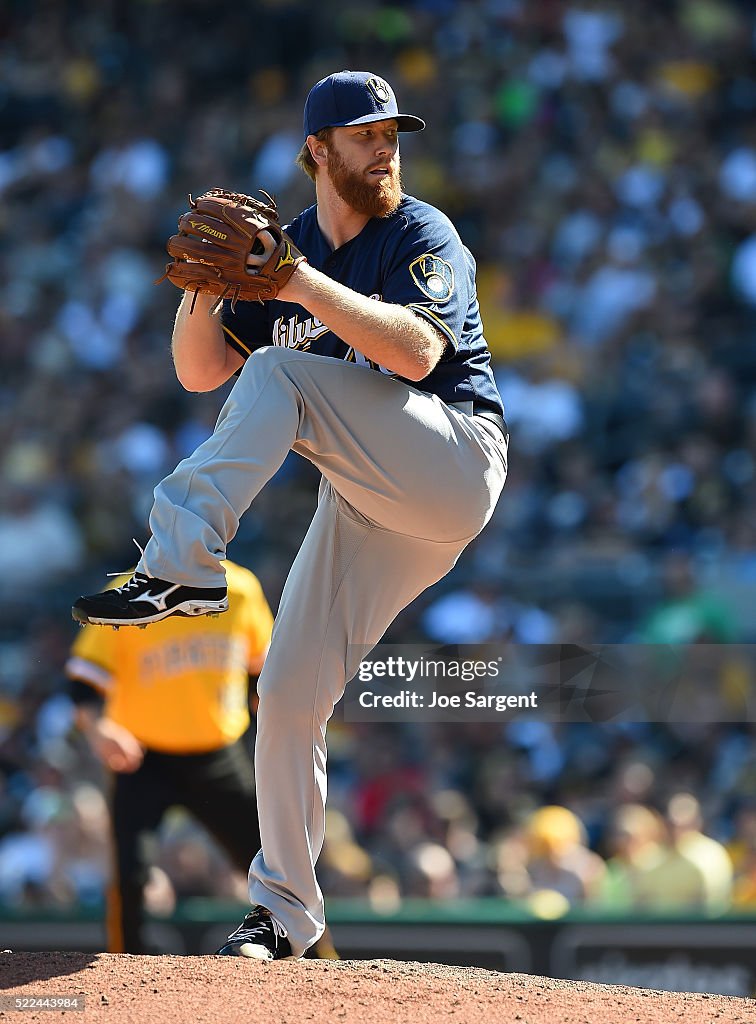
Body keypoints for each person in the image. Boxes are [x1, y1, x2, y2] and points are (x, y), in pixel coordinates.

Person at [72, 70, 509, 960]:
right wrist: (204, 288)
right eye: (363, 134)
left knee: (278, 373)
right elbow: (198, 372)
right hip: (370, 504)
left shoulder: (419, 231)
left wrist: (298, 284)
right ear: (317, 149)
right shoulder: (288, 247)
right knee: (289, 692)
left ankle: (182, 565)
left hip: (455, 459)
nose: (384, 148)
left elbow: (422, 353)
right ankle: (284, 913)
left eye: (392, 133)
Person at [67, 559, 337, 957]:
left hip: (218, 757)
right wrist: (96, 727)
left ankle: (321, 965)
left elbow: (262, 673)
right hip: (143, 759)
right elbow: (84, 681)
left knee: (282, 866)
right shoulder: (130, 596)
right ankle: (122, 970)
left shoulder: (241, 588)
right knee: (130, 874)